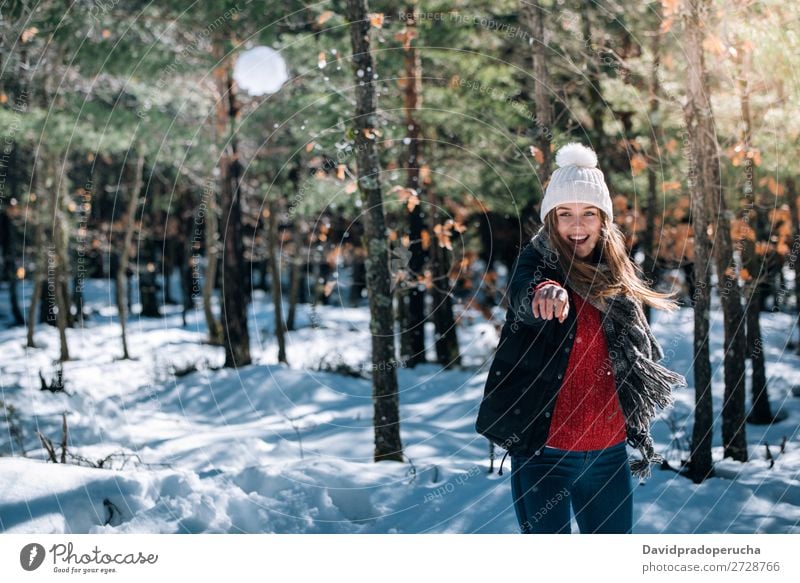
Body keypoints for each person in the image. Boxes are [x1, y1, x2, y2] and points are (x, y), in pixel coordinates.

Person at [475, 142, 687, 534]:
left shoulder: (617, 278)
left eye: (588, 213)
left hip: (609, 456)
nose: (577, 226)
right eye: (565, 214)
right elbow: (525, 293)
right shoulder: (536, 263)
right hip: (544, 456)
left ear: (603, 219)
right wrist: (545, 293)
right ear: (550, 220)